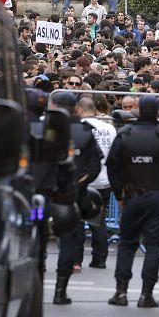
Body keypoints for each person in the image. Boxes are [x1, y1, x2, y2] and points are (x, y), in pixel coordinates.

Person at [106, 95, 159, 308]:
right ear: (157, 112)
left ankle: (121, 292)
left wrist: (119, 194)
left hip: (132, 195)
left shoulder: (125, 134)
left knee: (127, 243)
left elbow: (112, 167)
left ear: (137, 111)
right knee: (154, 245)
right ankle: (146, 294)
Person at [51, 92, 102, 305]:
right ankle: (60, 290)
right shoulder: (84, 131)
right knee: (68, 240)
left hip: (44, 192)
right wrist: (78, 184)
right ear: (75, 108)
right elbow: (94, 166)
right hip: (70, 194)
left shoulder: (45, 129)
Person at [75, 94, 116, 269]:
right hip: (104, 181)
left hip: (83, 181)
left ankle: (75, 260)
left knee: (76, 221)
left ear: (79, 109)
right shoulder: (109, 128)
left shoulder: (79, 128)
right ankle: (99, 259)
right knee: (98, 220)